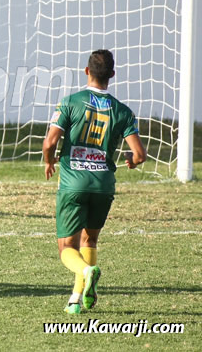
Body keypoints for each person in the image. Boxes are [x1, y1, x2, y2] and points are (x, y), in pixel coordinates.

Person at [42, 49, 146, 314]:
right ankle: (76, 301)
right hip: (103, 185)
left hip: (73, 184)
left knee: (67, 247)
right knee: (90, 241)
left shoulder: (70, 102)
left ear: (86, 71)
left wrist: (49, 161)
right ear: (112, 75)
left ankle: (87, 272)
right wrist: (131, 162)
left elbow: (50, 142)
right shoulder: (122, 111)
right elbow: (139, 154)